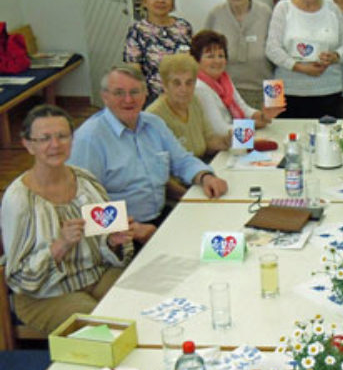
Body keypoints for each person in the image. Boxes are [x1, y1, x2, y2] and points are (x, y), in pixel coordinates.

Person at [1, 105, 134, 333]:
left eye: (62, 136)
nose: (55, 145)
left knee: (142, 306)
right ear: (28, 145)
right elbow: (20, 278)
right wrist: (60, 246)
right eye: (44, 139)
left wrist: (114, 242)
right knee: (106, 329)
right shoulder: (19, 200)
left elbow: (109, 246)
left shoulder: (85, 180)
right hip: (47, 294)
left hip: (97, 275)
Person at [69, 65, 228, 243]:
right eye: (119, 93)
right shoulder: (89, 139)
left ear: (145, 94)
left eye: (135, 92)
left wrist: (206, 177)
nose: (128, 99)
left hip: (161, 216)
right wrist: (129, 229)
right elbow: (82, 202)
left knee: (221, 231)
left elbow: (182, 160)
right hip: (122, 234)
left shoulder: (154, 123)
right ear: (105, 97)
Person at [266, 0, 343, 119]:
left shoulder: (332, 9)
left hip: (329, 90)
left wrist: (336, 56)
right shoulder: (283, 8)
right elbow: (272, 49)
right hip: (289, 92)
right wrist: (300, 67)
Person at [203, 0, 273, 109]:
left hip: (263, 90)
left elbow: (276, 50)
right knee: (236, 131)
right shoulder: (215, 15)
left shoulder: (265, 13)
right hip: (226, 92)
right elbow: (203, 53)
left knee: (267, 130)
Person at [192, 30, 283, 136]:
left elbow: (243, 108)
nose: (217, 61)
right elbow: (219, 129)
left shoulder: (224, 80)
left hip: (234, 137)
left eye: (221, 56)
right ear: (196, 61)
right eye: (210, 56)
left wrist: (263, 116)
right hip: (219, 145)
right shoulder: (199, 87)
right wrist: (254, 124)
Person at [146, 54, 230, 158]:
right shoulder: (153, 116)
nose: (184, 89)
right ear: (165, 85)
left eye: (189, 83)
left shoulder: (194, 102)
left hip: (201, 167)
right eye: (177, 83)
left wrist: (226, 141)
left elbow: (208, 141)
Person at [123, 0, 192, 101]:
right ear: (144, 2)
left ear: (172, 3)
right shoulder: (137, 30)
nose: (161, 0)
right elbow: (134, 69)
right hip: (153, 97)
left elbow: (194, 61)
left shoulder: (184, 27)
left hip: (184, 94)